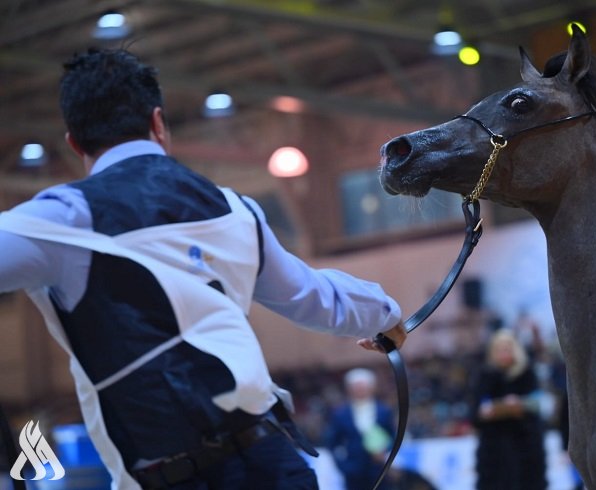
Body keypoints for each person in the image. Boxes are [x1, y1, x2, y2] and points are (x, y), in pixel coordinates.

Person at [0, 48, 406, 490]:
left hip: (169, 477)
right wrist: (386, 315)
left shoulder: (59, 221)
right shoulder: (235, 208)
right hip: (273, 465)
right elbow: (313, 297)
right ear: (158, 123)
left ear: (74, 142)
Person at [470, 329, 547, 490]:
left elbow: (539, 406)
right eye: (499, 349)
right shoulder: (485, 376)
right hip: (494, 454)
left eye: (507, 348)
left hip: (526, 450)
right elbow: (474, 413)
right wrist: (486, 412)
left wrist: (521, 405)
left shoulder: (527, 374)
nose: (503, 353)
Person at [324, 368, 394, 490]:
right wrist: (343, 466)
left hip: (378, 468)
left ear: (371, 387)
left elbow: (392, 436)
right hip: (353, 470)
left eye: (363, 386)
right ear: (349, 389)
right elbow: (332, 442)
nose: (359, 390)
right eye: (356, 386)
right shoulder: (340, 413)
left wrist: (384, 451)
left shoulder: (384, 411)